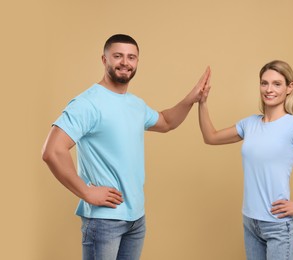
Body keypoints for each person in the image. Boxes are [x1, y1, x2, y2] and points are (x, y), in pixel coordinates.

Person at [42, 34, 210, 260]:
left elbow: (167, 122)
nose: (125, 62)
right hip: (104, 220)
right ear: (104, 60)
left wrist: (192, 98)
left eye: (131, 57)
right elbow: (52, 151)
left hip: (136, 219)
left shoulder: (135, 104)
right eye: (118, 56)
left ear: (137, 62)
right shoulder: (87, 103)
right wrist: (86, 192)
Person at [198, 60, 293, 260]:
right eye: (264, 83)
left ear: (289, 88)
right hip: (250, 222)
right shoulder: (250, 124)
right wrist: (202, 102)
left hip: (278, 227)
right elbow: (210, 137)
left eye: (277, 84)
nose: (269, 89)